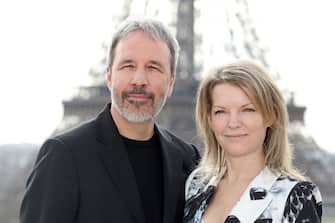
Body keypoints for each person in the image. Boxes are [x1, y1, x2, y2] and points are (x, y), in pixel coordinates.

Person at [20, 17, 199, 223]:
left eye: (153, 67)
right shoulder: (64, 156)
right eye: (128, 65)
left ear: (171, 84)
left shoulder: (187, 159)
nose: (139, 80)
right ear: (109, 76)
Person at [183, 61, 322, 223]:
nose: (233, 123)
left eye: (247, 109)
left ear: (270, 116)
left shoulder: (296, 196)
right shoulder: (195, 185)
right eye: (221, 111)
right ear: (210, 120)